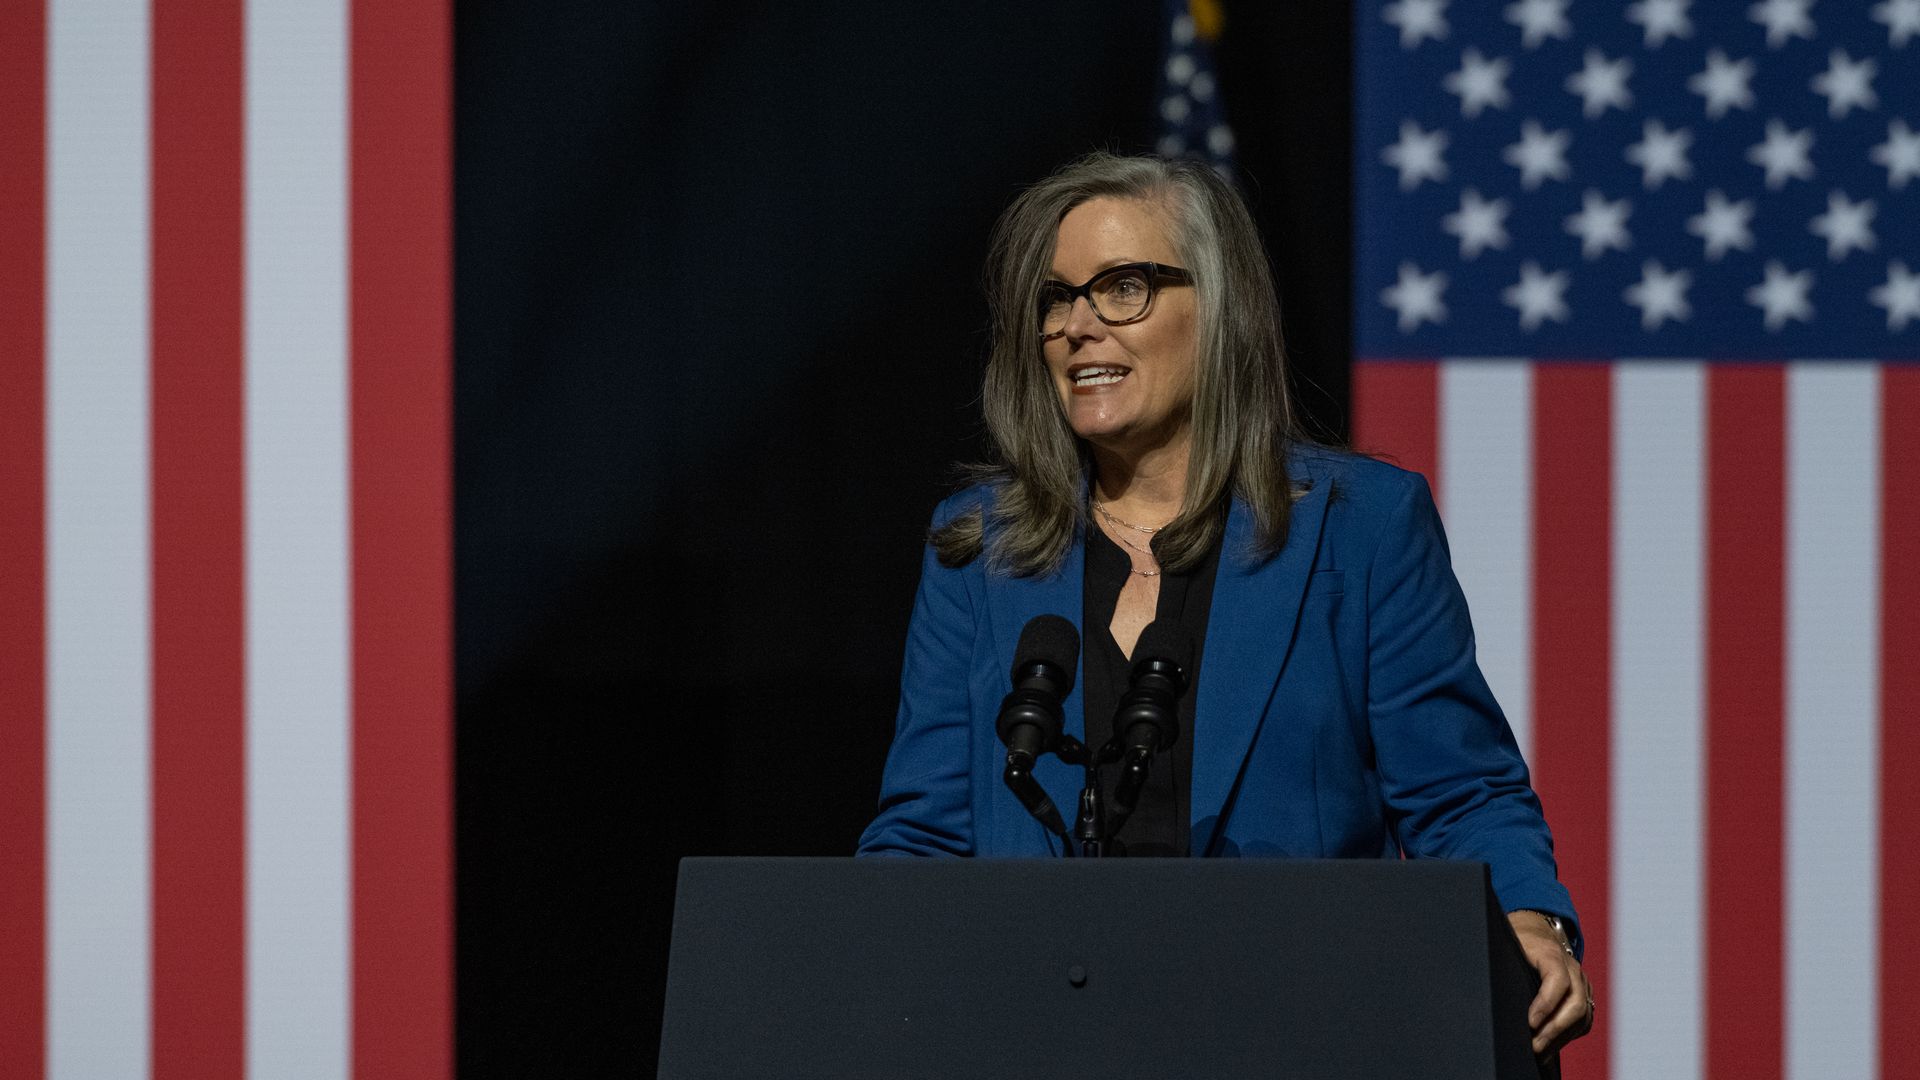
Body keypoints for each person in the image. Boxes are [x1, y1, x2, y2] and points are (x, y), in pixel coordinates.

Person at [855, 152, 1593, 1059]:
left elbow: (1459, 790)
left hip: (1305, 1032)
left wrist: (1529, 923)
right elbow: (923, 835)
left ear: (1221, 308)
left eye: (1122, 287)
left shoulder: (1359, 529)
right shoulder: (977, 548)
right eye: (1055, 298)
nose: (1078, 325)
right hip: (1037, 1043)